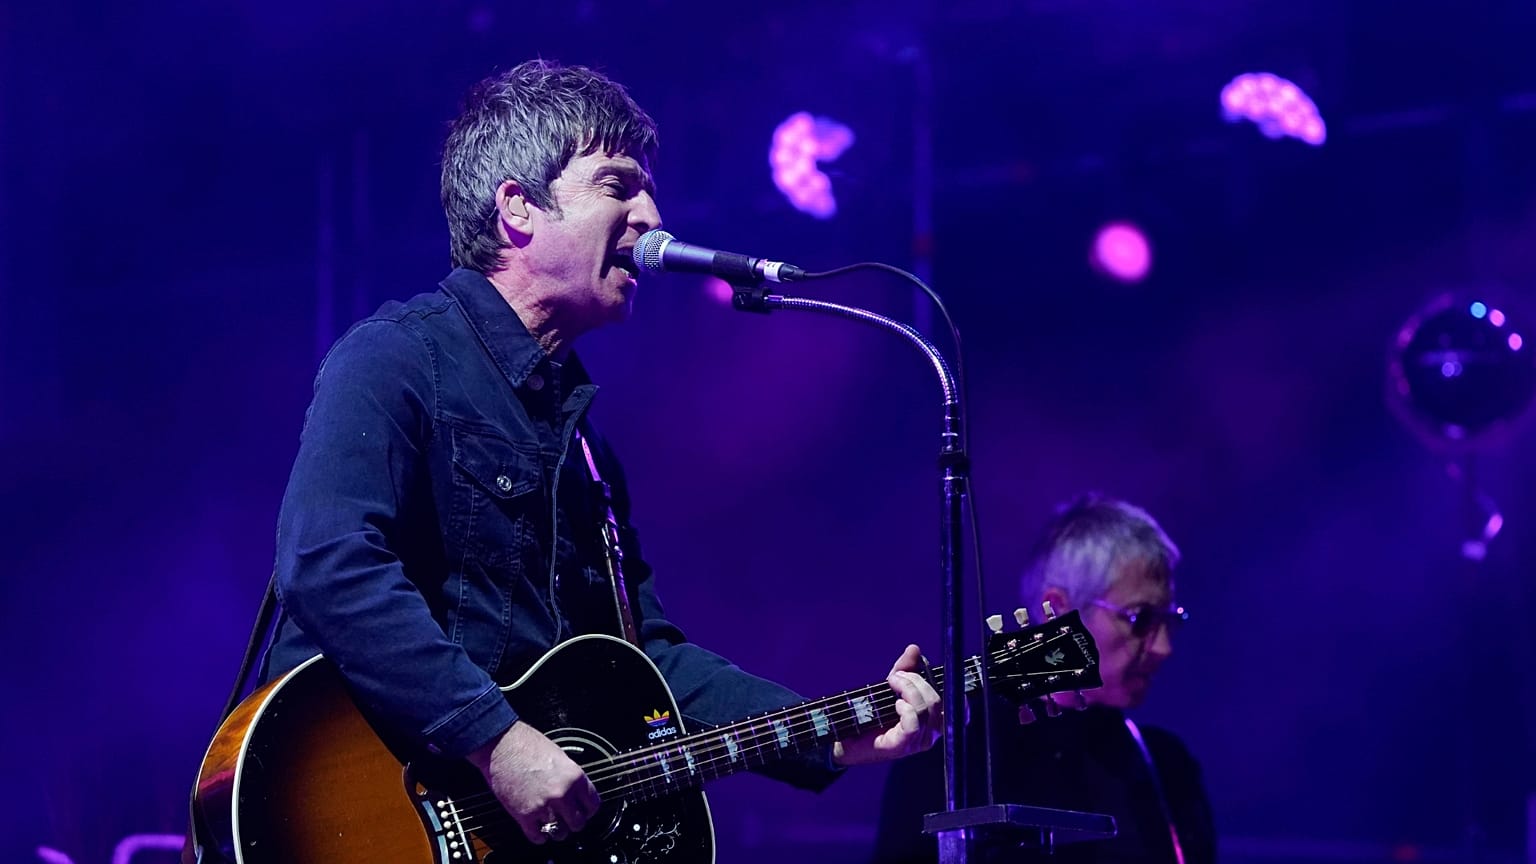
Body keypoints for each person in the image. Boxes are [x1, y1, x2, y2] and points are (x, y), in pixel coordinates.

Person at [259, 59, 941, 847]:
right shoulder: (396, 360)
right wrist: (497, 739)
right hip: (361, 811)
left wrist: (826, 733)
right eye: (618, 186)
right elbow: (329, 564)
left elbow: (645, 661)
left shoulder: (584, 445)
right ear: (517, 207)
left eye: (649, 189)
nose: (652, 215)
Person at [871, 494, 1214, 864]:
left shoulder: (1167, 766)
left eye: (1168, 621)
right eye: (1141, 618)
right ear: (1059, 609)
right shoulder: (950, 749)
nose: (1163, 648)